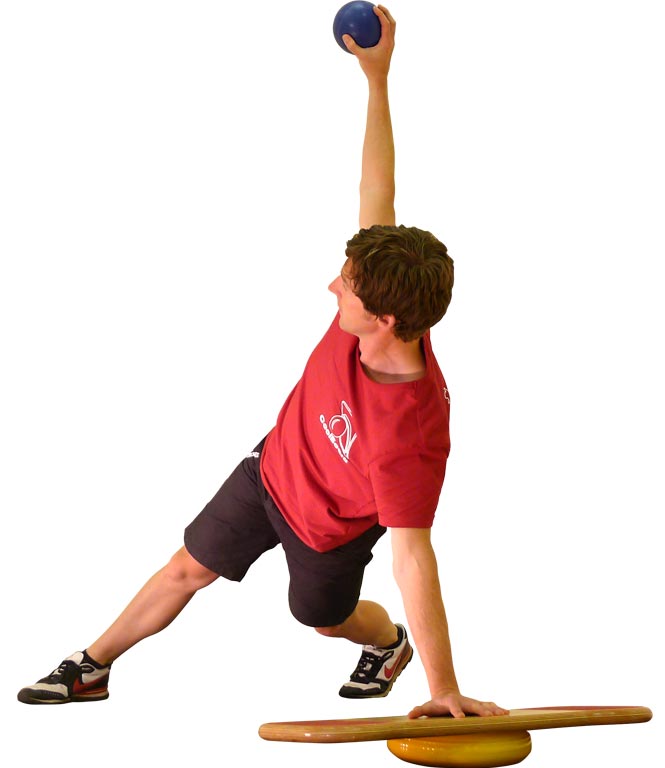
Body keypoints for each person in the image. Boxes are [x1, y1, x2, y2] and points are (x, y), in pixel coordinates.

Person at [17, 6, 507, 720]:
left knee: (323, 619)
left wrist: (443, 690)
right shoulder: (380, 298)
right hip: (271, 469)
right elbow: (378, 191)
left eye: (346, 286)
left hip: (327, 531)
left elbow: (412, 560)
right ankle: (92, 666)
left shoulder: (409, 437)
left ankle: (386, 646)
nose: (331, 286)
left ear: (386, 319)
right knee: (186, 566)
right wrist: (377, 79)